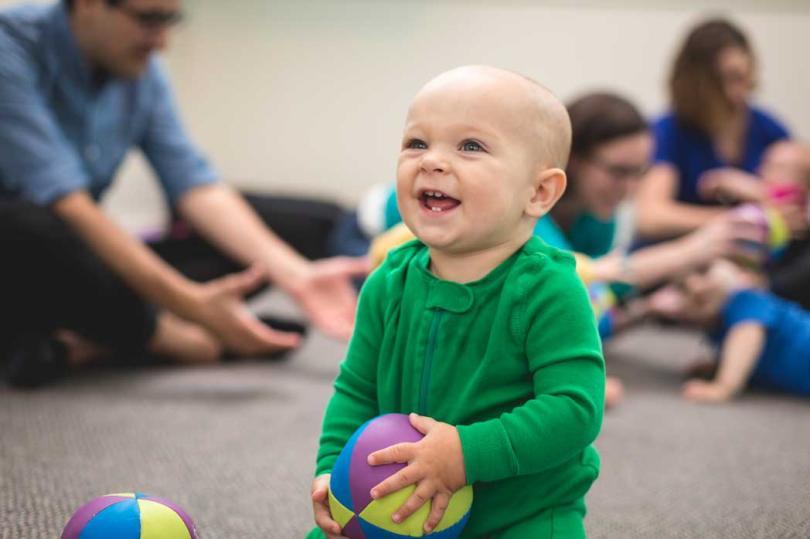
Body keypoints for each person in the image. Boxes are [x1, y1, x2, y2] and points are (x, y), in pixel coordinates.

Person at [0, 0, 368, 387]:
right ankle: (176, 340)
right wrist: (194, 308)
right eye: (149, 20)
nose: (162, 41)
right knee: (30, 225)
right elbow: (69, 205)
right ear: (89, 4)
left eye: (171, 19)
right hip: (26, 255)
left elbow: (194, 185)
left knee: (298, 224)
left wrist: (297, 277)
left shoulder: (140, 68)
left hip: (80, 265)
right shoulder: (10, 45)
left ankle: (84, 341)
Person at [309, 66, 604, 539]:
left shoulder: (550, 288)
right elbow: (356, 391)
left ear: (539, 191)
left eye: (470, 146)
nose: (432, 161)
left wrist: (464, 453)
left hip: (521, 513)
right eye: (416, 143)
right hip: (396, 510)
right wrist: (331, 470)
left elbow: (574, 410)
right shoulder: (387, 281)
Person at [635, 18, 790, 241]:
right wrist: (738, 219)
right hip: (682, 254)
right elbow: (651, 216)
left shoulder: (767, 127)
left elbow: (792, 204)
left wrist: (753, 190)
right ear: (694, 84)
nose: (733, 93)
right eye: (719, 82)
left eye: (740, 78)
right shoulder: (669, 131)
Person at [648, 258, 810, 403]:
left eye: (703, 271)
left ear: (738, 270)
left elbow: (747, 336)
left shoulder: (746, 300)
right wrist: (720, 365)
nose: (695, 287)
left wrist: (724, 386)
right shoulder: (718, 325)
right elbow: (759, 352)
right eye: (681, 287)